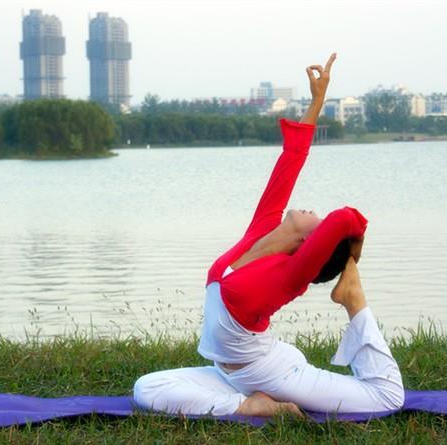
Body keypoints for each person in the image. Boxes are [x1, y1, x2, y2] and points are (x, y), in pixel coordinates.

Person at [133, 54, 404, 417]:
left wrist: (354, 249)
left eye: (318, 222)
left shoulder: (291, 275)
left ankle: (353, 298)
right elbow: (292, 157)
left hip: (277, 373)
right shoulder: (262, 230)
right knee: (146, 388)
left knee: (388, 397)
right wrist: (317, 101)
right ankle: (248, 404)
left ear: (312, 244)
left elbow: (343, 219)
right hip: (233, 376)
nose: (314, 212)